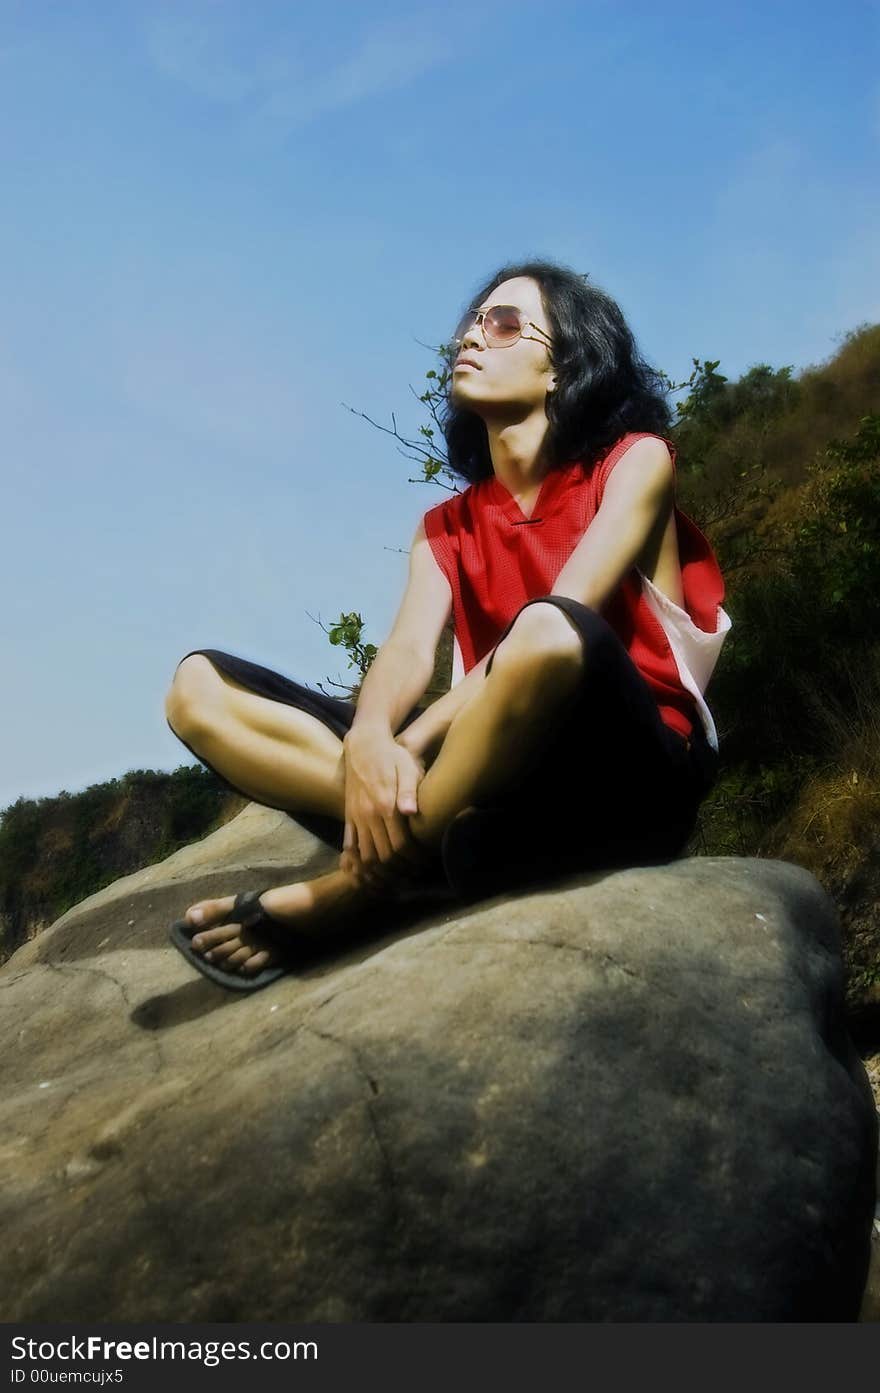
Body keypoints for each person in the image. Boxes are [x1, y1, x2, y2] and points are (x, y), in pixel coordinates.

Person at [165, 258, 731, 991]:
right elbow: (406, 652)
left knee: (549, 631)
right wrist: (371, 739)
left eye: (501, 324)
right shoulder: (444, 527)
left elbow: (569, 610)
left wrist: (411, 741)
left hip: (627, 773)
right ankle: (429, 843)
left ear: (565, 365)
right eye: (471, 322)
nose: (470, 336)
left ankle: (365, 887)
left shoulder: (634, 462)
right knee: (196, 691)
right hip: (493, 771)